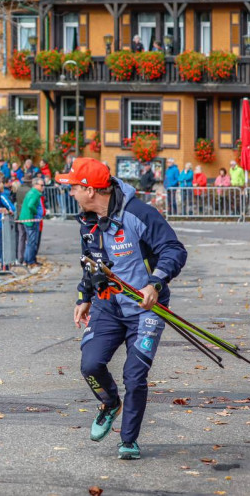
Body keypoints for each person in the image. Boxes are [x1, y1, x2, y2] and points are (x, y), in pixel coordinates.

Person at [56, 157, 187, 460]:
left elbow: (174, 249)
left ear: (90, 190)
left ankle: (128, 440)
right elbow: (91, 262)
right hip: (107, 304)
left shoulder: (138, 213)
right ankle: (109, 403)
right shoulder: (88, 221)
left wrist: (155, 282)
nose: (70, 192)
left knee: (134, 375)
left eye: (73, 187)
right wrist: (83, 296)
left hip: (146, 308)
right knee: (90, 365)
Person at [20, 177, 44, 268]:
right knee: (32, 241)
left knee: (30, 241)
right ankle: (30, 261)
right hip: (31, 220)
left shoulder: (32, 192)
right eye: (41, 185)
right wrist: (36, 213)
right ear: (35, 185)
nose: (43, 187)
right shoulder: (35, 193)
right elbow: (30, 205)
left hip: (27, 219)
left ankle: (27, 260)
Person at [14, 174, 32, 265]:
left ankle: (20, 258)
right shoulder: (30, 191)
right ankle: (27, 258)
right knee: (29, 238)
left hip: (19, 216)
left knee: (21, 237)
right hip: (27, 217)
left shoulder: (19, 189)